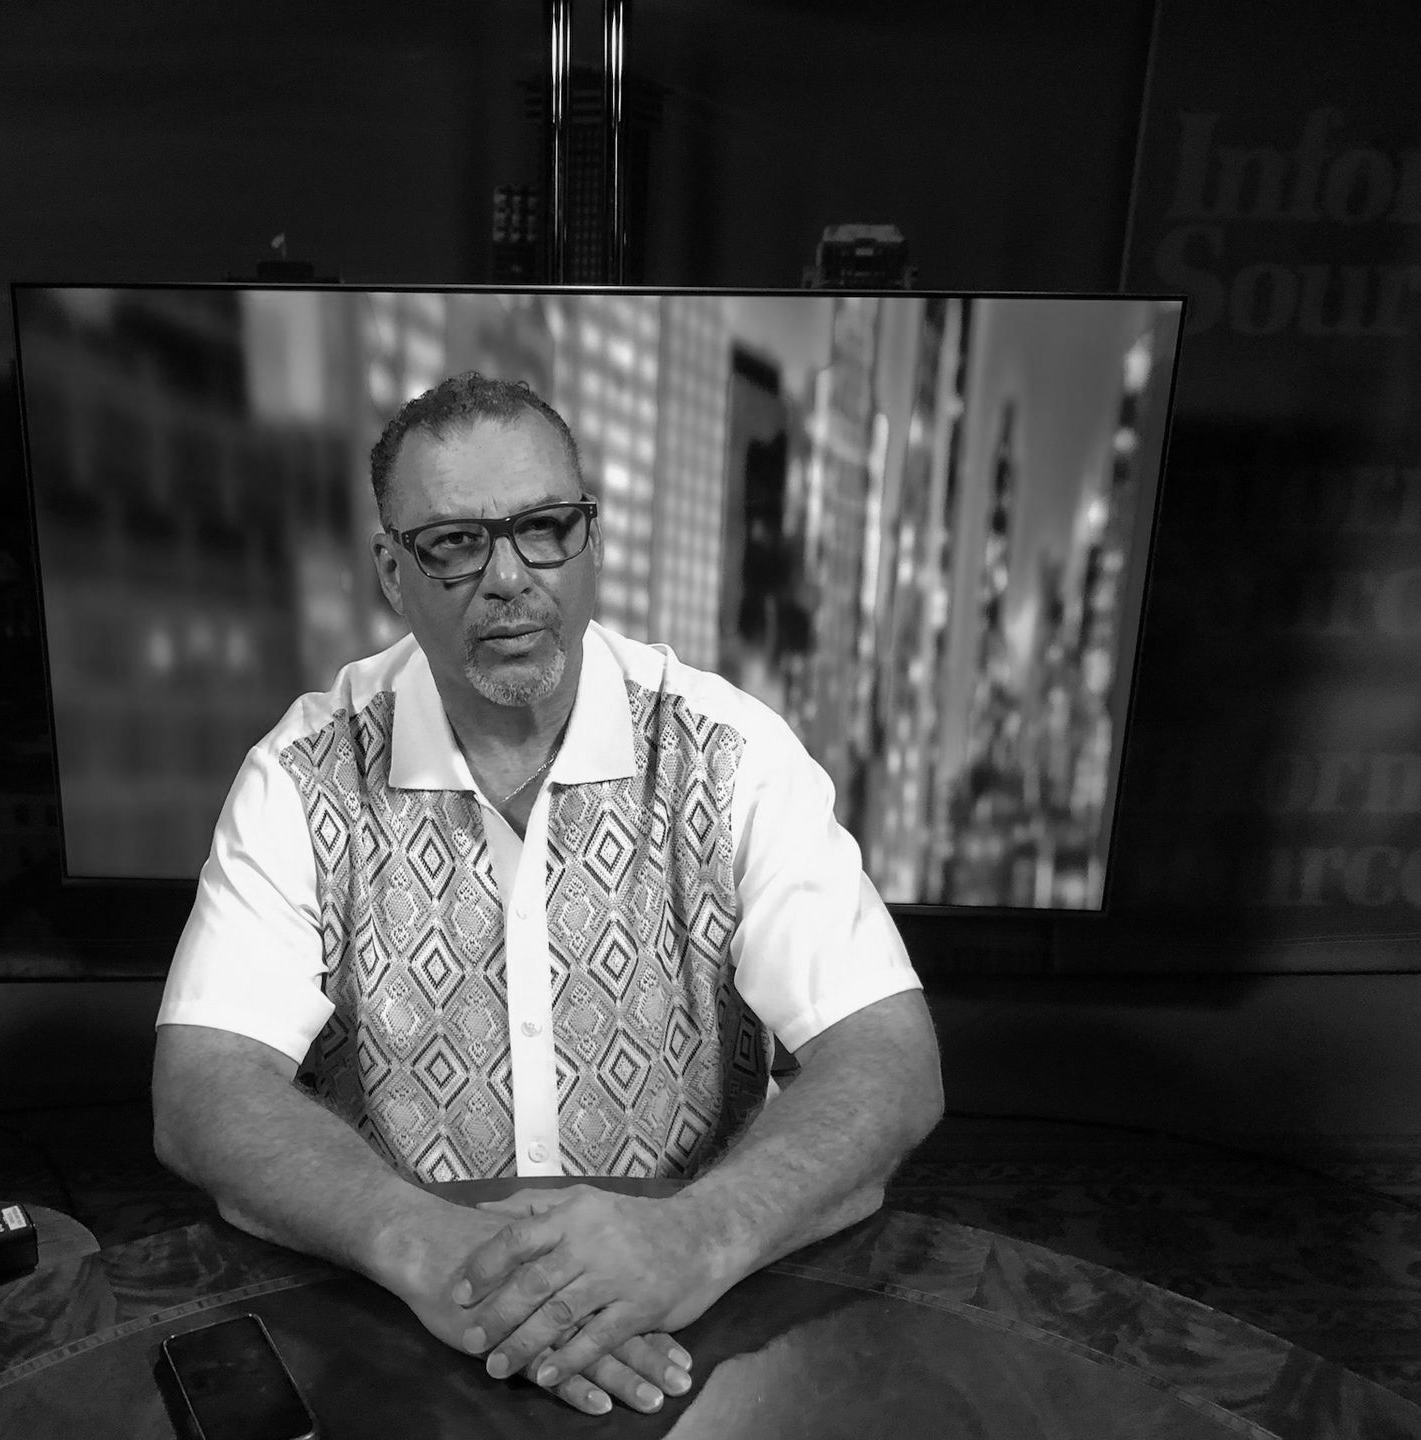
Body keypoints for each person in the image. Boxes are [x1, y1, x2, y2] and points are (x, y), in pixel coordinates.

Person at [152, 372, 943, 1418]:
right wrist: (427, 1247)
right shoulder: (301, 773)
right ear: (393, 569)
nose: (509, 578)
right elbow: (203, 1089)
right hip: (402, 1323)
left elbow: (889, 1059)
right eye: (455, 543)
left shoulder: (730, 752)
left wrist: (694, 1237)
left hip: (699, 1321)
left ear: (591, 540)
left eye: (543, 528)